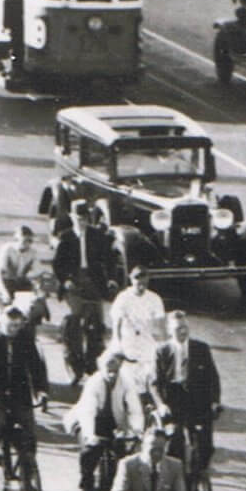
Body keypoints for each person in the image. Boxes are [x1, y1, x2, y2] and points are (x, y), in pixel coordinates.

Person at [68, 347, 145, 491]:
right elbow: (88, 411)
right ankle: (87, 487)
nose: (112, 373)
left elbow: (134, 409)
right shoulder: (94, 382)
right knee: (89, 451)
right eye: (109, 368)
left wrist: (137, 431)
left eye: (116, 368)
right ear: (102, 366)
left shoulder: (126, 382)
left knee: (119, 455)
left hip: (112, 423)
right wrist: (90, 435)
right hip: (88, 420)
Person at [0, 301, 49, 467]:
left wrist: (41, 390)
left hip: (19, 393)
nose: (14, 329)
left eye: (17, 325)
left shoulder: (25, 337)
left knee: (29, 433)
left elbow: (35, 366)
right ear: (1, 322)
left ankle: (29, 472)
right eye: (10, 325)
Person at [152, 308, 221, 476]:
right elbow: (154, 383)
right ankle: (179, 477)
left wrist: (214, 401)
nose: (182, 331)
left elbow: (213, 377)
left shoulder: (201, 348)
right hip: (174, 399)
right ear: (169, 331)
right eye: (177, 328)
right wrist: (161, 405)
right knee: (176, 439)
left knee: (205, 445)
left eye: (185, 327)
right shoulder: (162, 351)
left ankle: (199, 474)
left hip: (197, 398)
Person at [53, 199, 117, 380]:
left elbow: (110, 259)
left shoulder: (97, 235)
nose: (81, 222)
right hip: (73, 283)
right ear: (72, 217)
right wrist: (65, 280)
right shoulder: (65, 237)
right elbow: (58, 264)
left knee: (96, 323)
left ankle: (93, 365)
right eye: (78, 218)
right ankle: (75, 366)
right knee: (75, 320)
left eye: (84, 219)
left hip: (93, 281)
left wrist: (111, 279)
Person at [109, 263, 168, 391]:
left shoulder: (155, 299)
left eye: (144, 282)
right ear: (131, 279)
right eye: (137, 280)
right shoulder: (123, 297)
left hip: (146, 339)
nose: (141, 285)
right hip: (127, 338)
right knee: (118, 368)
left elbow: (161, 324)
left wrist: (163, 343)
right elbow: (117, 323)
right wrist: (117, 342)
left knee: (152, 370)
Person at [0, 223, 38, 306]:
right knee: (6, 307)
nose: (27, 244)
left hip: (21, 284)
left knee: (32, 307)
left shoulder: (33, 253)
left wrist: (36, 289)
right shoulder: (7, 249)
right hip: (5, 283)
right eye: (24, 241)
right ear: (16, 240)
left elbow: (36, 273)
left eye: (30, 241)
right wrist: (4, 292)